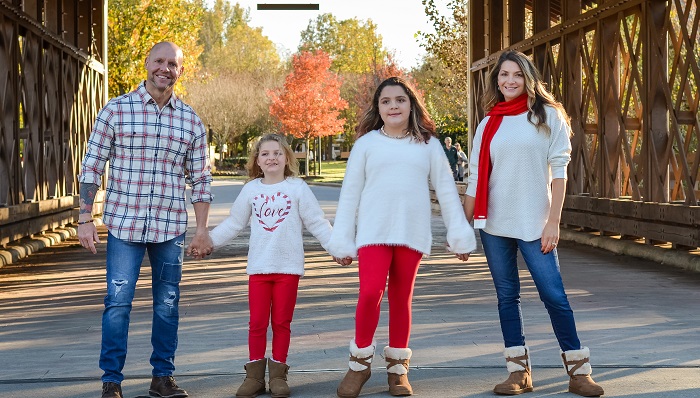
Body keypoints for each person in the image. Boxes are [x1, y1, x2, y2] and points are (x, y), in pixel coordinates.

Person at [463, 50, 604, 397]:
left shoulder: (548, 116)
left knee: (554, 295)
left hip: (535, 222)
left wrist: (553, 222)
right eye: (503, 75)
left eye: (516, 75)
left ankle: (578, 372)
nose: (509, 81)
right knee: (506, 297)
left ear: (528, 78)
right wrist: (460, 227)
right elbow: (477, 178)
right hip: (494, 224)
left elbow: (560, 172)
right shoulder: (488, 122)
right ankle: (518, 373)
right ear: (496, 80)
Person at [77, 42, 214, 398]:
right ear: (147, 63)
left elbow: (200, 180)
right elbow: (92, 165)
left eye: (172, 64)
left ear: (180, 71)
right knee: (117, 304)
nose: (165, 68)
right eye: (159, 61)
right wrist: (84, 217)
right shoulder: (116, 110)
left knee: (168, 304)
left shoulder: (191, 121)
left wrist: (201, 231)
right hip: (124, 225)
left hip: (169, 229)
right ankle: (111, 381)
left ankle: (162, 378)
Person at [327, 76, 476, 398]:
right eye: (386, 101)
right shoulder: (366, 144)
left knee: (400, 299)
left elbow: (448, 192)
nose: (393, 106)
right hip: (373, 232)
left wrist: (459, 233)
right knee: (369, 293)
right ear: (378, 108)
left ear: (411, 104)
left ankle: (398, 370)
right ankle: (359, 364)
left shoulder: (428, 145)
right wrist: (342, 238)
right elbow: (350, 195)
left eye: (399, 100)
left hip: (412, 231)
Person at [208, 133, 347, 398]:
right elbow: (234, 223)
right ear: (257, 161)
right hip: (259, 267)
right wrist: (208, 243)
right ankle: (255, 376)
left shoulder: (297, 188)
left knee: (282, 322)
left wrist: (336, 248)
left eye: (277, 153)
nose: (271, 158)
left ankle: (279, 375)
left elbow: (317, 222)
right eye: (265, 154)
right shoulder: (251, 189)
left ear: (286, 158)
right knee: (257, 323)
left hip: (288, 267)